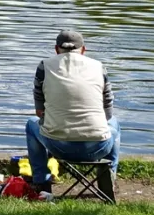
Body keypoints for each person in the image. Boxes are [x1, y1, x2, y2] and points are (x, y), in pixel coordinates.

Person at [25, 29, 119, 197]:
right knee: (114, 124)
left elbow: (40, 113)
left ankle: (42, 184)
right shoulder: (99, 67)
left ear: (56, 49)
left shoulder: (44, 67)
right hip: (98, 147)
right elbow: (108, 112)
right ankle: (108, 179)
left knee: (31, 124)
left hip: (58, 147)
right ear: (83, 50)